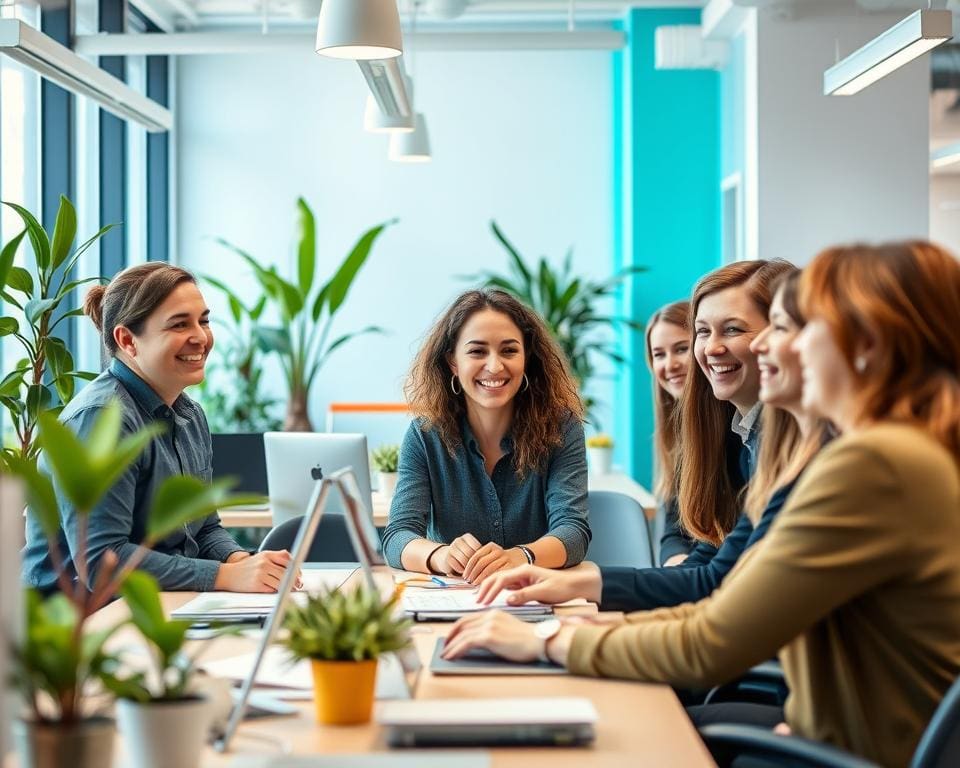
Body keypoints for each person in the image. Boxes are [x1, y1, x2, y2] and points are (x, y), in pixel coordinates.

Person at [441, 241, 960, 767]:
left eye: (791, 330)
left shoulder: (873, 465)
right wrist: (592, 626)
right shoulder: (889, 453)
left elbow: (715, 637)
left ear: (866, 345)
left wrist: (549, 640)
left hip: (859, 751)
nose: (768, 348)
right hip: (843, 736)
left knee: (624, 738)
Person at [471, 269, 829, 614]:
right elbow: (706, 563)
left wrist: (576, 603)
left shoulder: (804, 452)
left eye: (733, 329)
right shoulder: (745, 437)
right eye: (703, 332)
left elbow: (716, 585)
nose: (710, 348)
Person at [22, 262, 296, 594]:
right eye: (180, 324)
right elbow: (102, 563)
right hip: (79, 625)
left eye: (204, 321)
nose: (200, 337)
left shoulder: (189, 414)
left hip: (156, 603)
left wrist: (240, 561)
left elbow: (203, 528)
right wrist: (223, 577)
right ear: (127, 340)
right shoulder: (101, 419)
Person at [381, 288, 591, 582]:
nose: (494, 366)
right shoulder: (424, 436)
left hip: (533, 595)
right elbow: (397, 537)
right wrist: (441, 555)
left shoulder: (562, 428)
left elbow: (573, 532)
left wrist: (520, 556)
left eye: (509, 350)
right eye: (477, 351)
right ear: (453, 362)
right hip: (454, 599)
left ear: (526, 358)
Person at [644, 301, 695, 566]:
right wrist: (676, 562)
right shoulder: (677, 435)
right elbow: (674, 531)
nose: (670, 364)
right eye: (659, 355)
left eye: (681, 349)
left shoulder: (737, 430)